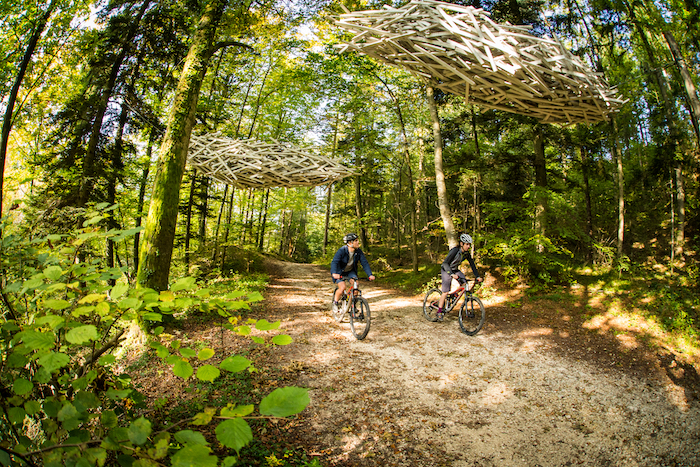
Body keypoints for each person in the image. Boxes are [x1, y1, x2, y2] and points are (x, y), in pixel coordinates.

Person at [436, 233, 483, 321]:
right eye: (467, 244)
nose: (468, 246)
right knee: (445, 291)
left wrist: (477, 276)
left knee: (464, 283)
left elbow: (472, 264)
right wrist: (451, 274)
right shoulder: (455, 251)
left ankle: (454, 295)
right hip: (446, 269)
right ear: (462, 244)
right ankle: (439, 311)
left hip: (455, 269)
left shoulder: (466, 254)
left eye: (469, 245)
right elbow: (445, 263)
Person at [331, 233, 375, 312]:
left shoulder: (358, 252)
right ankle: (335, 302)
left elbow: (364, 263)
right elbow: (335, 262)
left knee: (356, 286)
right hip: (339, 272)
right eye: (356, 241)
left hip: (350, 271)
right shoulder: (342, 250)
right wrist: (334, 273)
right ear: (350, 243)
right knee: (342, 288)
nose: (358, 242)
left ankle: (352, 305)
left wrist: (370, 274)